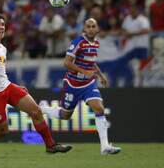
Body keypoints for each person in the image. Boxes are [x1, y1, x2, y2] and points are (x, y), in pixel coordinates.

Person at [0, 12, 72, 157]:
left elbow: (0, 74)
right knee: (3, 130)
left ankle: (51, 145)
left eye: (3, 24)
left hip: (7, 87)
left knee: (36, 111)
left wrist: (15, 86)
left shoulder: (2, 48)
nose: (1, 27)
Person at [41, 18, 122, 155]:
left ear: (97, 29)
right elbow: (66, 63)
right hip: (73, 84)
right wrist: (85, 72)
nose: (90, 28)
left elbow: (91, 62)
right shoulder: (78, 42)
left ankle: (105, 146)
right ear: (84, 29)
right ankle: (41, 109)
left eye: (93, 26)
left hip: (88, 84)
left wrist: (101, 75)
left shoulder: (96, 43)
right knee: (65, 115)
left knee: (99, 108)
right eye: (88, 26)